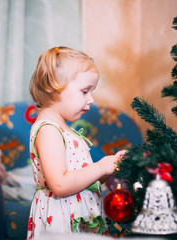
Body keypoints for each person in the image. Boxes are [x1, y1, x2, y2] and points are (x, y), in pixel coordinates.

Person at [27, 46, 126, 239]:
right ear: (55, 88)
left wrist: (107, 170)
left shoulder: (65, 128)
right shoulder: (49, 129)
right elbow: (60, 184)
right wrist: (99, 167)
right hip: (61, 222)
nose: (91, 100)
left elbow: (78, 179)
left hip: (80, 217)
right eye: (85, 91)